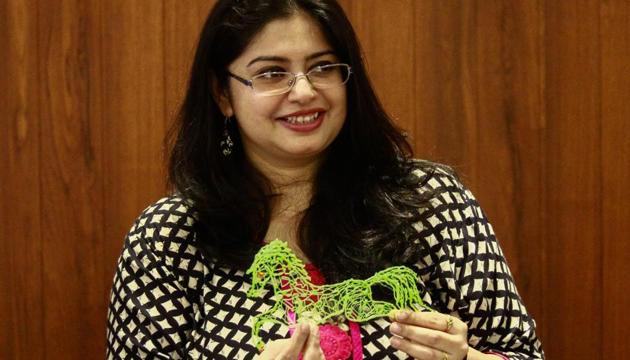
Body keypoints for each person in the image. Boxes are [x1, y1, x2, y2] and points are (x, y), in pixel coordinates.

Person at [106, 0, 544, 359]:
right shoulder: (168, 239)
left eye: (322, 68)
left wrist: (468, 359)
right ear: (224, 94)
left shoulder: (431, 203)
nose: (303, 91)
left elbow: (523, 354)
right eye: (272, 73)